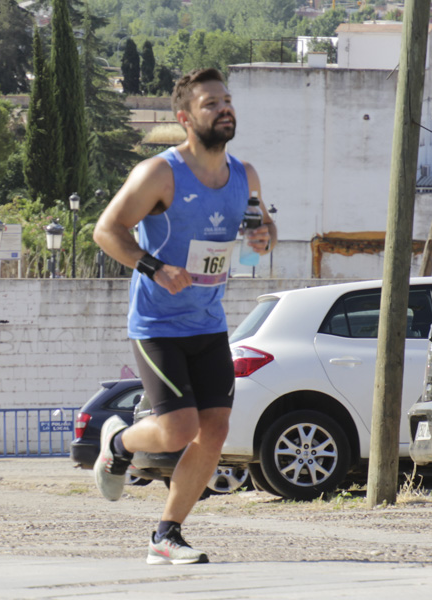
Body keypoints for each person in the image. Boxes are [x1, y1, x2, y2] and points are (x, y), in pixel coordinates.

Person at [92, 67, 275, 565]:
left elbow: (261, 235)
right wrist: (153, 267)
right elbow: (106, 230)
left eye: (227, 100)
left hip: (209, 322)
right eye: (210, 103)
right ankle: (119, 441)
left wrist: (262, 240)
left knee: (214, 430)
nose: (224, 108)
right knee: (176, 430)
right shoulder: (159, 173)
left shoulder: (246, 175)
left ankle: (166, 535)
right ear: (185, 118)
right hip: (157, 325)